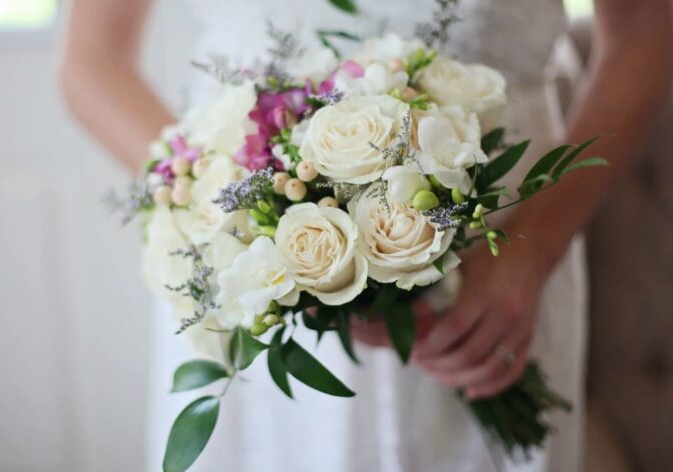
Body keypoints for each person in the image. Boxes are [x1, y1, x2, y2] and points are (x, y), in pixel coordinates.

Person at [59, 0, 673, 470]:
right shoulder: (251, 241)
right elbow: (92, 63)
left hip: (505, 252)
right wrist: (242, 225)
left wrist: (533, 251)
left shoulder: (522, 255)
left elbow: (646, 28)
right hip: (255, 275)